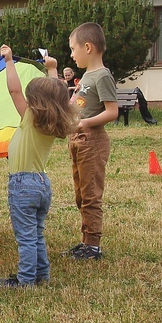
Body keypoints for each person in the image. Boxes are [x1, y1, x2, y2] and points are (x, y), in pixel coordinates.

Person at [0, 45, 78, 288]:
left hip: (23, 185)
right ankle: (42, 274)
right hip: (42, 184)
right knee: (36, 233)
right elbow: (56, 94)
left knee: (26, 238)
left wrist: (9, 61)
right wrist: (52, 69)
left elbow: (13, 90)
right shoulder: (55, 119)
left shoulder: (30, 117)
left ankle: (26, 280)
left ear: (36, 102)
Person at [61, 22, 118, 261]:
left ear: (87, 47)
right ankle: (85, 242)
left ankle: (93, 245)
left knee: (91, 195)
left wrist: (85, 123)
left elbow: (112, 111)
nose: (72, 55)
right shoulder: (86, 77)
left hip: (92, 141)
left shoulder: (102, 76)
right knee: (80, 195)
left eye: (73, 49)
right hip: (78, 140)